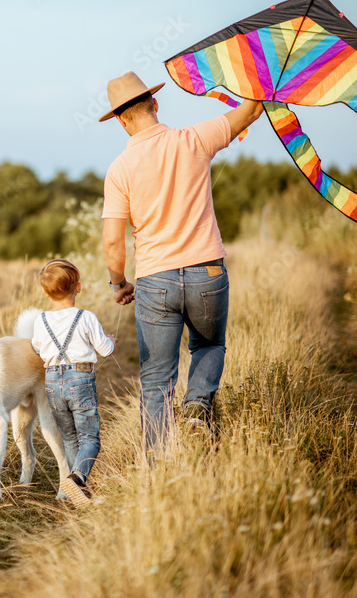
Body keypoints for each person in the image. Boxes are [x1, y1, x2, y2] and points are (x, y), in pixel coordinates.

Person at [98, 71, 263, 456]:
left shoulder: (119, 169)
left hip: (155, 280)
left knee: (156, 378)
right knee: (208, 344)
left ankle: (159, 465)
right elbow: (251, 111)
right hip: (207, 272)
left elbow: (112, 241)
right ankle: (197, 406)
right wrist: (261, 70)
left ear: (121, 120)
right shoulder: (194, 138)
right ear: (155, 104)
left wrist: (118, 283)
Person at [31, 259, 115, 506]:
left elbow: (37, 347)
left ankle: (77, 491)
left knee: (69, 438)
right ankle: (77, 478)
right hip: (79, 380)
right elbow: (105, 350)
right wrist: (111, 340)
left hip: (52, 382)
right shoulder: (86, 317)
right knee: (90, 438)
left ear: (45, 292)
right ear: (78, 287)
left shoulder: (40, 320)